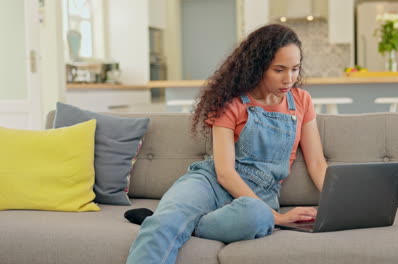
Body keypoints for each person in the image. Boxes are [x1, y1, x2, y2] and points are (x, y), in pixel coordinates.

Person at [125, 23, 328, 264]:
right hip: (211, 183)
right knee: (163, 224)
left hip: (258, 196)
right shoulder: (231, 103)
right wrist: (280, 218)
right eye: (279, 70)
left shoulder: (302, 101)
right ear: (259, 66)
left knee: (258, 217)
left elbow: (316, 163)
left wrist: (341, 204)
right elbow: (224, 173)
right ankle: (169, 221)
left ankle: (184, 222)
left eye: (295, 69)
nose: (289, 79)